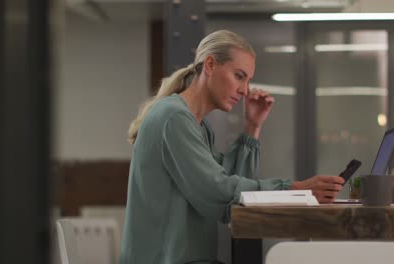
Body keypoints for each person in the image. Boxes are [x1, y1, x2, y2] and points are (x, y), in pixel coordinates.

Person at [119, 29, 344, 264]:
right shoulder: (173, 117)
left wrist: (252, 126)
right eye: (239, 76)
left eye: (247, 80)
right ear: (210, 65)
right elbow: (218, 191)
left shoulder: (196, 125)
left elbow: (234, 190)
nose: (245, 90)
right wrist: (294, 189)